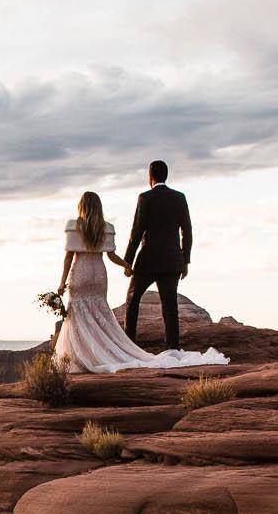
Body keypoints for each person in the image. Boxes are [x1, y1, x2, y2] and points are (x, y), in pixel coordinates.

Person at [52, 190, 225, 374]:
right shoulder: (105, 227)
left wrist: (62, 283)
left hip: (81, 274)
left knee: (78, 315)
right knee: (99, 313)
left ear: (82, 206)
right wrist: (127, 265)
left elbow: (69, 257)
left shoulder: (74, 226)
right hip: (99, 276)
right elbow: (111, 255)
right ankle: (108, 351)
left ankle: (82, 356)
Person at [122, 160, 193, 352]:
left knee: (132, 300)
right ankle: (172, 349)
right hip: (172, 261)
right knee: (170, 306)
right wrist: (185, 260)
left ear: (150, 176)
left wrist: (127, 262)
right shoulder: (179, 197)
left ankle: (129, 345)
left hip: (148, 261)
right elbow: (187, 230)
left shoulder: (145, 198)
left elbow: (136, 232)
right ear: (166, 175)